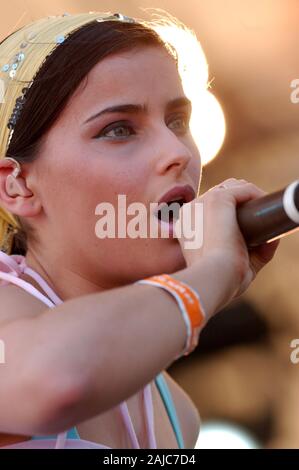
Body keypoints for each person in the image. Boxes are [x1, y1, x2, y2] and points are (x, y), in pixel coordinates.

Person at [0, 11, 280, 449]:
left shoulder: (176, 411)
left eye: (177, 122)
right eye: (118, 129)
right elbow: (51, 382)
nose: (177, 153)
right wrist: (212, 273)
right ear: (16, 186)